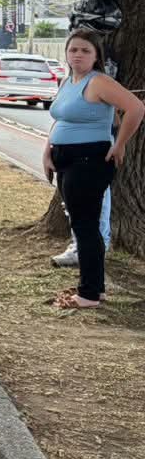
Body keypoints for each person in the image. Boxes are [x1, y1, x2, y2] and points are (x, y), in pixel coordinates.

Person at [41, 28, 142, 308]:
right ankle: (96, 288)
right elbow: (61, 119)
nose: (78, 55)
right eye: (73, 49)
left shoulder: (99, 82)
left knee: (85, 226)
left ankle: (88, 295)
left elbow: (136, 108)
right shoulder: (67, 81)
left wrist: (120, 144)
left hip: (89, 161)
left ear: (96, 56)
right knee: (83, 224)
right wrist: (47, 151)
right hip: (65, 160)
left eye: (85, 50)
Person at [52, 0, 124, 268]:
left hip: (95, 140)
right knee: (80, 200)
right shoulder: (88, 54)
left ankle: (91, 247)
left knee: (95, 199)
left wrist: (118, 141)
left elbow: (118, 109)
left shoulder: (102, 62)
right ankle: (86, 245)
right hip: (76, 140)